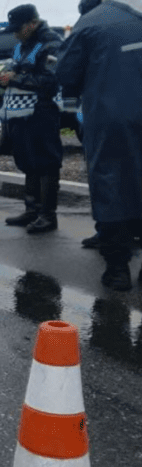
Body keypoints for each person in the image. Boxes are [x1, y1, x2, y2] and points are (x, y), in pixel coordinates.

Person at [56, 0, 142, 290]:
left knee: (111, 183)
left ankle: (118, 268)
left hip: (111, 118)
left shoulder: (91, 23)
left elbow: (65, 72)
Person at [0, 4, 64, 234]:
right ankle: (32, 210)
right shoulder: (20, 46)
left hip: (42, 111)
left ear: (32, 24)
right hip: (19, 113)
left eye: (19, 28)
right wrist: (3, 76)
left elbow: (49, 82)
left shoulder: (50, 43)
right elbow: (11, 67)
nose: (15, 33)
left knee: (46, 160)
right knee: (27, 159)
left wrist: (16, 79)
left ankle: (47, 215)